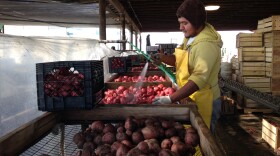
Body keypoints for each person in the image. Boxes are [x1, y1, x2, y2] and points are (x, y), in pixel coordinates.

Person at [152, 0, 223, 134]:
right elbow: (180, 60)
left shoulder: (206, 45)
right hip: (190, 95)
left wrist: (170, 98)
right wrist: (162, 59)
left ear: (197, 22)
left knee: (205, 138)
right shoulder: (190, 37)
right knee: (191, 135)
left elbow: (198, 80)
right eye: (180, 23)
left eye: (185, 23)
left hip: (205, 99)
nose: (181, 28)